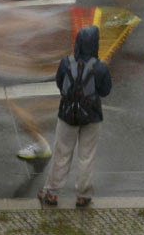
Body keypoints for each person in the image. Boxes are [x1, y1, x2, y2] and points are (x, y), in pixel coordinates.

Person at [37, 25, 112, 207]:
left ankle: (52, 193)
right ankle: (82, 195)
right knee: (86, 156)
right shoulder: (100, 66)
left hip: (67, 114)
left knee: (62, 153)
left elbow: (59, 83)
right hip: (92, 116)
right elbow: (105, 91)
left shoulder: (66, 62)